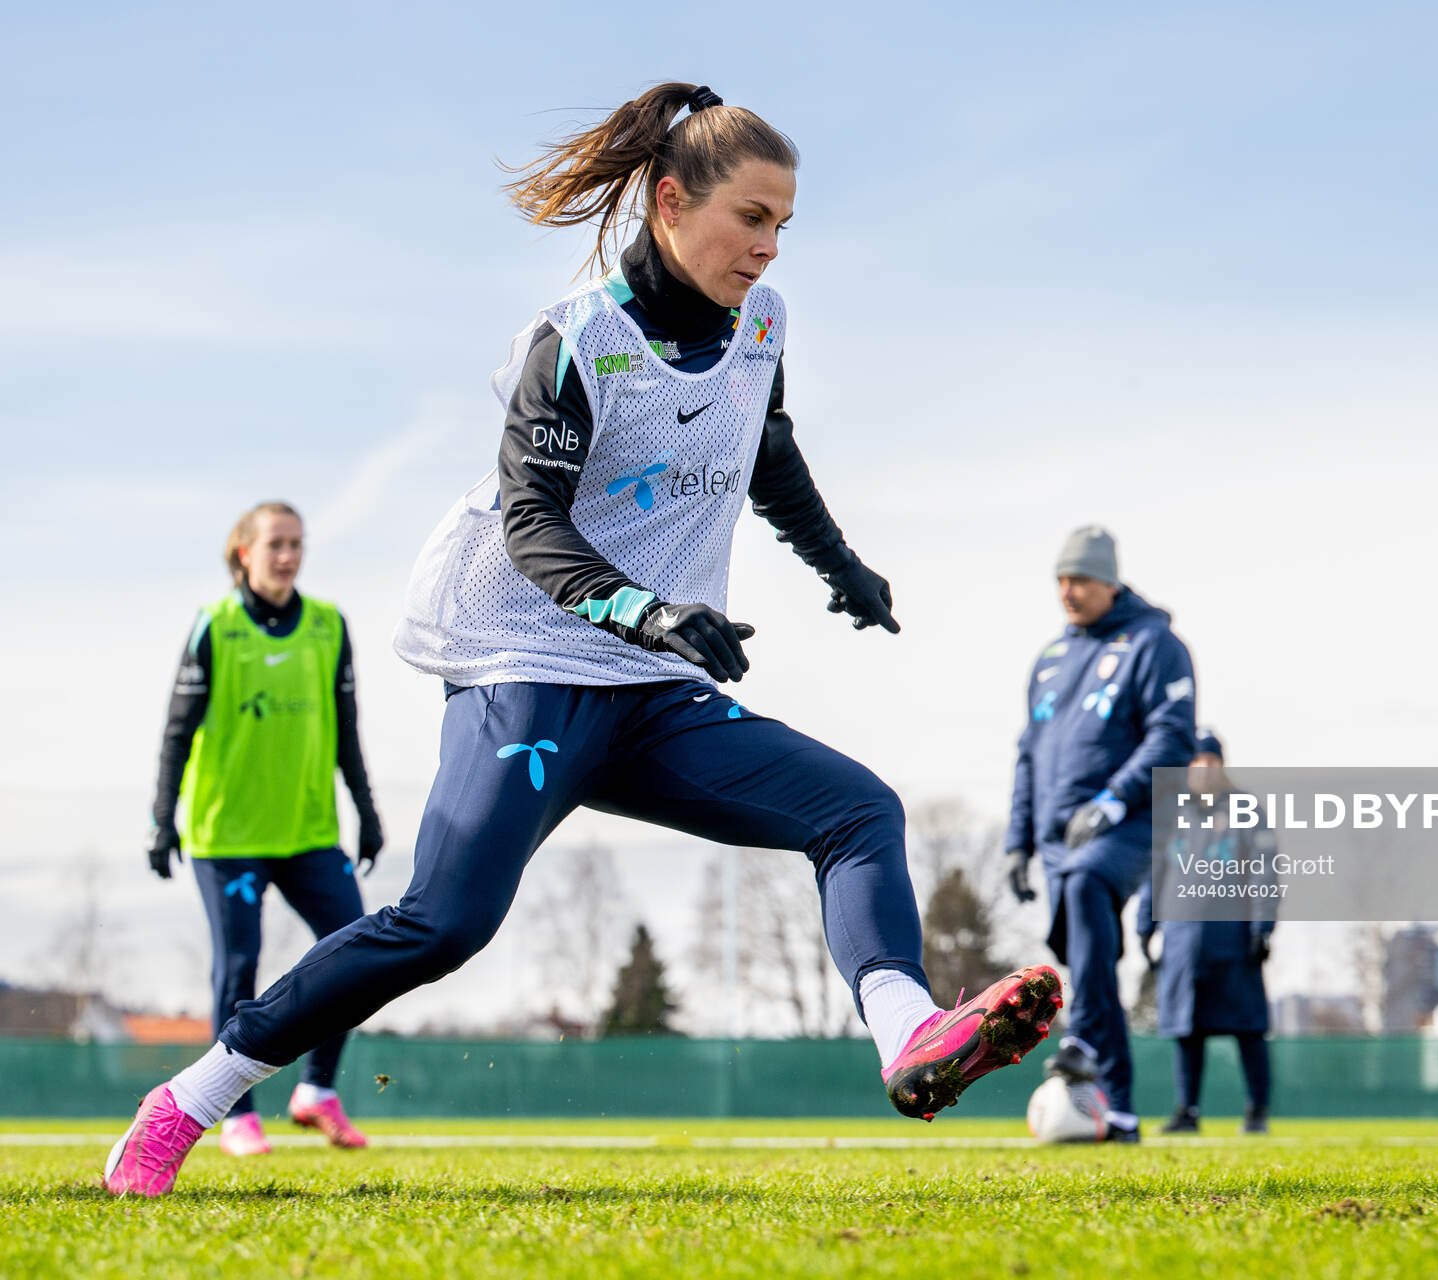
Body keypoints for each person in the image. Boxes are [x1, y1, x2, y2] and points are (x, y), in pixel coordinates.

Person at [106, 82, 1058, 1197]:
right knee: (443, 922)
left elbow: (766, 449)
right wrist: (648, 610)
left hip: (653, 682)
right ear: (669, 200)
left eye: (784, 224)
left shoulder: (764, 323)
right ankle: (189, 1100)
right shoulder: (575, 342)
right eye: (750, 217)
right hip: (528, 662)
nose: (768, 247)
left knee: (858, 811)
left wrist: (841, 566)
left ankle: (908, 1036)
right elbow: (531, 522)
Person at [144, 501, 383, 1157]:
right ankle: (236, 1114)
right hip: (229, 837)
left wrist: (366, 810)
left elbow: (346, 731)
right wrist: (163, 820)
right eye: (275, 544)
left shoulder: (329, 626)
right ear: (243, 552)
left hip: (308, 830)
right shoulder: (215, 626)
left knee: (359, 954)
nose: (288, 555)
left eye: (297, 544)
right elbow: (177, 730)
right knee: (239, 966)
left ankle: (317, 1093)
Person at [1005, 526, 1196, 1142]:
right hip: (1058, 837)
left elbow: (1173, 738)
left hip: (1130, 824)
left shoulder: (1154, 645)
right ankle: (1116, 1112)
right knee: (1086, 956)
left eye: (1081, 579)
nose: (1069, 590)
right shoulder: (1051, 660)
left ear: (1111, 582)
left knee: (1089, 892)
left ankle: (1080, 1037)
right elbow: (1029, 754)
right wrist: (1018, 842)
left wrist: (1113, 802)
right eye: (1061, 579)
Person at [1136, 731, 1276, 1135]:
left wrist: (1263, 925)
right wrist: (1146, 926)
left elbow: (1266, 866)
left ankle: (1257, 1111)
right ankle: (1187, 1111)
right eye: (1197, 761)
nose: (1204, 769)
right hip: (1180, 939)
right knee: (1185, 1027)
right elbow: (1154, 873)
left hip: (1233, 937)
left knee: (1248, 1026)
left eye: (1212, 761)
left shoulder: (1244, 807)